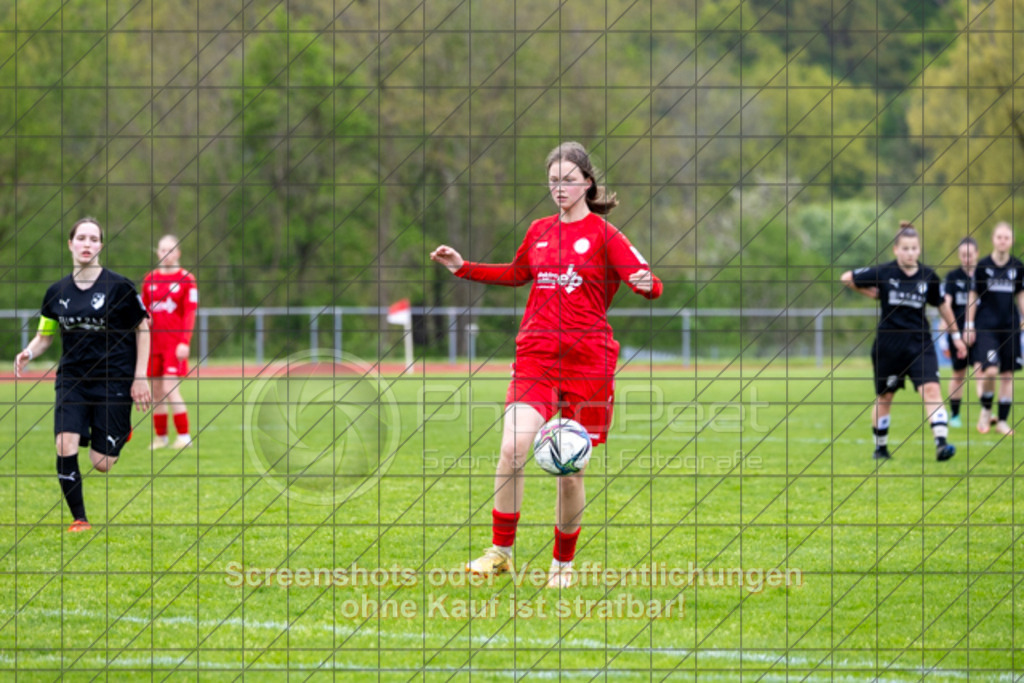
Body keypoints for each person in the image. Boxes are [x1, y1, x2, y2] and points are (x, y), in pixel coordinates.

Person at [430, 141, 663, 588]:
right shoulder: (539, 231)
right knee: (512, 448)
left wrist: (645, 283)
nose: (560, 188)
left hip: (588, 363)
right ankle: (500, 553)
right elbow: (517, 273)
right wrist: (462, 267)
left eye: (569, 180)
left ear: (587, 183)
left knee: (569, 470)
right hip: (535, 356)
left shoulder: (605, 235)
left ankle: (563, 565)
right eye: (554, 180)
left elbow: (650, 284)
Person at [14, 218, 151, 532]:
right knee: (64, 445)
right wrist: (29, 352)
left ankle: (119, 431)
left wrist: (139, 375)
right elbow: (46, 335)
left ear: (101, 246)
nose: (87, 244)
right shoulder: (56, 291)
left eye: (94, 239)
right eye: (81, 238)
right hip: (72, 379)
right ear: (70, 244)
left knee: (102, 463)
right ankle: (80, 519)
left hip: (113, 379)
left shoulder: (119, 287)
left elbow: (142, 327)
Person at [840, 221, 966, 462]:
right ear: (896, 250)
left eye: (914, 248)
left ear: (919, 250)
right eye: (905, 248)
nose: (910, 253)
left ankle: (941, 444)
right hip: (889, 346)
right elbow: (846, 278)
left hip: (920, 343)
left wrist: (957, 336)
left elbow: (943, 307)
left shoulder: (928, 276)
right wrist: (872, 293)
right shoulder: (884, 272)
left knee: (931, 390)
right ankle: (881, 448)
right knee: (885, 397)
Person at [964, 221, 1024, 436]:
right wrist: (969, 325)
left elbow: (1021, 295)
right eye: (999, 237)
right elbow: (972, 295)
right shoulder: (982, 266)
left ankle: (1002, 422)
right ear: (993, 239)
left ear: (1011, 241)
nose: (1002, 241)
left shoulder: (1017, 267)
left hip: (1010, 328)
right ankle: (987, 410)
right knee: (989, 370)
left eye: (1006, 238)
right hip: (986, 327)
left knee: (1007, 375)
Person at [142, 234, 198, 449]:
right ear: (157, 252)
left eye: (170, 250)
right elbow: (144, 311)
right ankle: (161, 437)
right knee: (156, 391)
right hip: (153, 344)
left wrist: (185, 341)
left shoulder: (186, 279)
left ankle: (184, 437)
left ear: (178, 253)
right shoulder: (150, 279)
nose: (166, 254)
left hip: (174, 345)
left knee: (169, 387)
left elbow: (189, 313)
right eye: (162, 249)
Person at [942, 237, 978, 428]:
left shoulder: (983, 275)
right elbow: (945, 306)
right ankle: (955, 415)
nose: (966, 258)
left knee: (983, 371)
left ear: (976, 254)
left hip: (980, 333)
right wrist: (945, 334)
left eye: (970, 254)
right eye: (963, 255)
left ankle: (986, 414)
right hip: (957, 335)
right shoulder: (953, 277)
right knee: (959, 374)